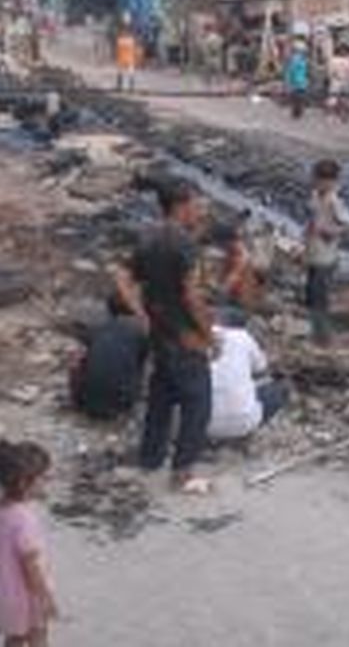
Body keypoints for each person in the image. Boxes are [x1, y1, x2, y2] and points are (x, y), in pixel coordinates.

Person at [115, 180, 216, 494]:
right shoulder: (184, 244)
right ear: (181, 205)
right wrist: (208, 332)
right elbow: (191, 295)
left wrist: (141, 313)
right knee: (198, 402)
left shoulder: (147, 238)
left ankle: (150, 459)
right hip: (185, 335)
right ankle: (183, 473)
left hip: (160, 332)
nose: (198, 210)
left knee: (161, 395)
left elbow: (122, 278)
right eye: (195, 204)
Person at [0, 440, 59, 647]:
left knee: (13, 638)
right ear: (24, 483)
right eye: (43, 478)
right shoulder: (23, 518)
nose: (46, 483)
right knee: (38, 635)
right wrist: (46, 598)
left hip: (1, 594)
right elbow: (31, 566)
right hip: (27, 598)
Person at [207, 314, 288, 442]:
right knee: (281, 388)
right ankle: (243, 435)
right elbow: (262, 369)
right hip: (244, 423)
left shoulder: (200, 336)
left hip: (206, 425)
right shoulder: (243, 337)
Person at [69, 296, 149, 421]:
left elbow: (81, 341)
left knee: (79, 357)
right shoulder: (140, 334)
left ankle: (82, 398)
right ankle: (122, 399)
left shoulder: (97, 329)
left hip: (86, 402)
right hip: (121, 403)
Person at [305, 160, 349, 346]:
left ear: (330, 182)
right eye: (315, 179)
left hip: (326, 258)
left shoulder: (334, 201)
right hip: (313, 254)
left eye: (319, 180)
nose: (315, 183)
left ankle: (323, 340)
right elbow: (312, 220)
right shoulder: (315, 196)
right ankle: (314, 334)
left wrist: (332, 231)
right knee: (311, 296)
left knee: (320, 300)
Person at [285, 39, 310, 120]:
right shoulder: (297, 59)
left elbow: (289, 71)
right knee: (298, 98)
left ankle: (297, 113)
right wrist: (288, 82)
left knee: (298, 98)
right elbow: (290, 71)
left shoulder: (301, 59)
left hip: (300, 81)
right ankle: (297, 113)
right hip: (298, 82)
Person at [115, 14, 138, 92]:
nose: (126, 22)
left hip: (128, 54)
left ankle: (129, 88)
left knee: (129, 71)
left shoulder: (131, 31)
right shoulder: (120, 31)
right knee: (121, 70)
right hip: (123, 53)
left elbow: (134, 41)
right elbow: (118, 41)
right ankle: (120, 87)